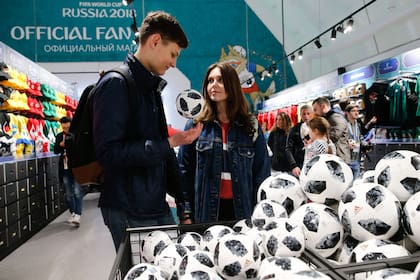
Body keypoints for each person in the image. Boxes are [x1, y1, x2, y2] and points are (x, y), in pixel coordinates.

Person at [91, 11, 203, 250]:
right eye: (173, 54)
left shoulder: (151, 88)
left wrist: (183, 206)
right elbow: (109, 153)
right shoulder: (116, 84)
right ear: (154, 41)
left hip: (154, 204)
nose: (174, 63)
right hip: (127, 208)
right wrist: (170, 143)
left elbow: (163, 150)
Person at [177, 62, 271, 223]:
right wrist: (186, 213)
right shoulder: (196, 124)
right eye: (210, 80)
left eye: (220, 80)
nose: (214, 85)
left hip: (243, 212)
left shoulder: (250, 126)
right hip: (206, 211)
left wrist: (262, 212)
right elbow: (184, 171)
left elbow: (261, 174)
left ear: (232, 84)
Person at [54, 117, 83, 226]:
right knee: (68, 193)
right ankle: (73, 213)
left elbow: (80, 149)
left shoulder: (77, 134)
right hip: (65, 167)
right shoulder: (59, 136)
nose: (65, 129)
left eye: (67, 127)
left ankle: (78, 215)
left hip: (76, 167)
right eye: (63, 127)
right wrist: (60, 145)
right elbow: (55, 151)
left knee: (77, 191)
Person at [312, 97, 350, 164]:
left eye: (315, 109)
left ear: (323, 106)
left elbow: (335, 135)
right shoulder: (328, 118)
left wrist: (318, 138)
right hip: (335, 157)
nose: (314, 113)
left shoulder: (335, 117)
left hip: (340, 158)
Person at [285, 105, 313, 177]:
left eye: (308, 113)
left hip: (314, 162)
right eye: (304, 114)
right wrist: (294, 165)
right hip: (299, 164)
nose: (306, 116)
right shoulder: (294, 129)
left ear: (312, 114)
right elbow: (288, 149)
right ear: (300, 115)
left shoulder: (317, 127)